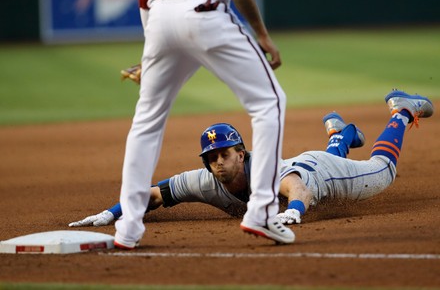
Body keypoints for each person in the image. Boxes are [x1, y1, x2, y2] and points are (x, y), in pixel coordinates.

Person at [70, 90, 434, 238]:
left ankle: (401, 110)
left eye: (224, 154)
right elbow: (154, 194)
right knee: (326, 155)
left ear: (241, 154)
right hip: (303, 161)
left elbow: (297, 188)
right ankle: (338, 135)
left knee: (384, 171)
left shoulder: (266, 172)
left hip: (320, 174)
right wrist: (111, 212)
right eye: (211, 158)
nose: (217, 163)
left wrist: (294, 211)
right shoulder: (205, 180)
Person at [114, 0, 292, 248]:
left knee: (146, 122)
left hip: (159, 19)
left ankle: (128, 229)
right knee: (269, 103)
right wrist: (261, 33)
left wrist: (151, 51)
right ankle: (262, 211)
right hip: (204, 12)